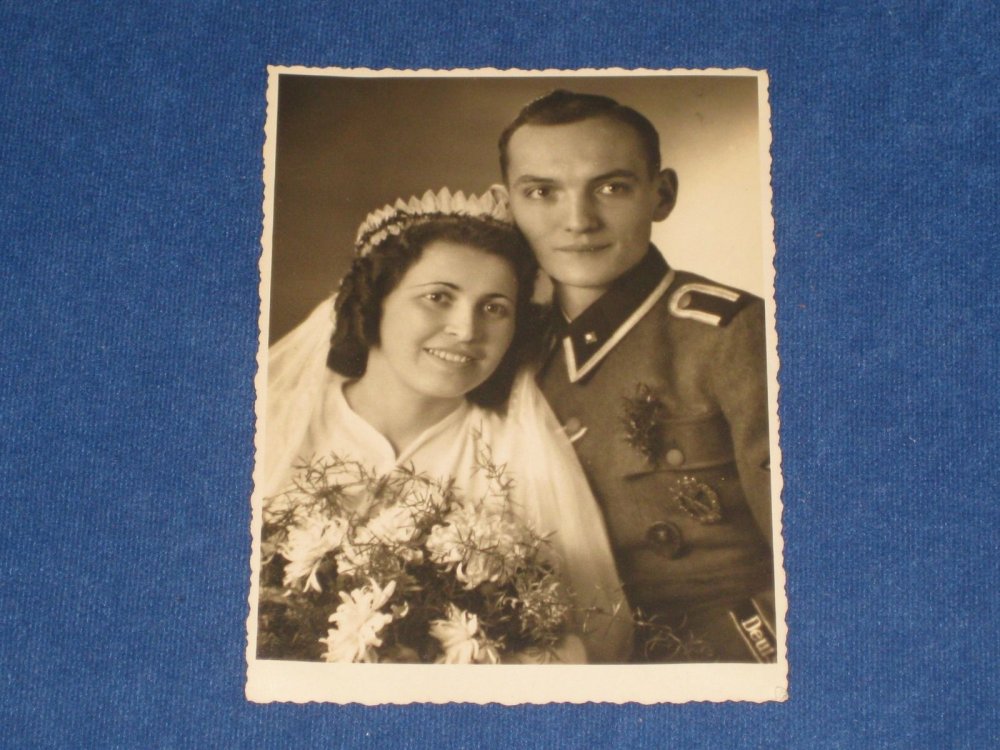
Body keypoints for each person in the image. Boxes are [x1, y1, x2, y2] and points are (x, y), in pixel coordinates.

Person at [261, 187, 632, 663]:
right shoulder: (275, 424)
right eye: (437, 297)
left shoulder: (519, 454)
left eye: (494, 308)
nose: (467, 330)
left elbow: (588, 642)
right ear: (373, 300)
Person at [498, 90, 777, 663]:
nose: (578, 222)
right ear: (507, 206)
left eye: (611, 187)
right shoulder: (509, 348)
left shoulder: (730, 335)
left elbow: (815, 560)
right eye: (542, 192)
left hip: (718, 656)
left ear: (662, 194)